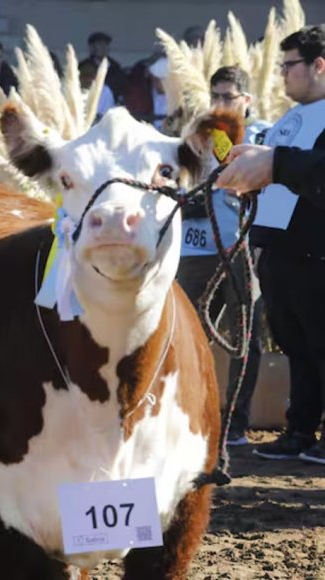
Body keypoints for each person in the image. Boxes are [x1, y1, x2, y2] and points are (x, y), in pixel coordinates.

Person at [216, 25, 325, 465]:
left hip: (317, 252)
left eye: (290, 66)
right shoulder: (288, 118)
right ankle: (300, 428)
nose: (282, 75)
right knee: (296, 345)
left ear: (319, 66)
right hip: (279, 250)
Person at [177, 66, 270, 447]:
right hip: (196, 245)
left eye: (228, 97)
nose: (219, 104)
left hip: (242, 246)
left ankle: (235, 420)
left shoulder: (264, 134)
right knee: (187, 332)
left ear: (246, 100)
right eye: (215, 95)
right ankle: (188, 414)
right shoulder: (198, 133)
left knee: (243, 335)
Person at [79, 31, 127, 102]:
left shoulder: (115, 66)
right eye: (100, 44)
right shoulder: (83, 66)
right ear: (92, 47)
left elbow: (122, 87)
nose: (103, 48)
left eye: (106, 44)